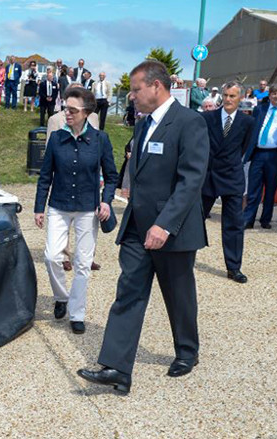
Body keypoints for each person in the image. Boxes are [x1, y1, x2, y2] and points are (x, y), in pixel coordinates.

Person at [77, 60, 209, 394]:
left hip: (172, 229)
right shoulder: (143, 124)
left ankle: (187, 352)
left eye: (136, 89)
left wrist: (165, 224)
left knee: (177, 294)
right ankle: (117, 368)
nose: (132, 96)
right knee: (129, 292)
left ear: (156, 86)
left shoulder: (189, 122)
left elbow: (191, 179)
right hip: (138, 226)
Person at [34, 86, 117, 334]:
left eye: (71, 109)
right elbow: (45, 176)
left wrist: (106, 201)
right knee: (51, 256)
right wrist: (39, 208)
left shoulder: (101, 140)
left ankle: (77, 312)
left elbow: (111, 176)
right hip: (58, 206)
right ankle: (61, 297)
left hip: (87, 209)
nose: (66, 113)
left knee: (82, 263)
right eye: (64, 108)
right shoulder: (57, 138)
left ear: (86, 112)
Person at [201, 81, 255, 284]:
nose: (228, 100)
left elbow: (245, 148)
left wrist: (232, 163)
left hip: (232, 176)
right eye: (225, 95)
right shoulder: (207, 118)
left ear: (240, 98)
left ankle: (233, 267)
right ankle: (183, 257)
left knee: (233, 224)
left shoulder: (247, 122)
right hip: (209, 175)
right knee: (196, 218)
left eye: (232, 96)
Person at [243, 84, 277, 229]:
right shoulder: (260, 109)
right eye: (274, 94)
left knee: (270, 190)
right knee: (253, 189)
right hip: (258, 153)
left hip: (276, 155)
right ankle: (248, 219)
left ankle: (266, 219)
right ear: (269, 95)